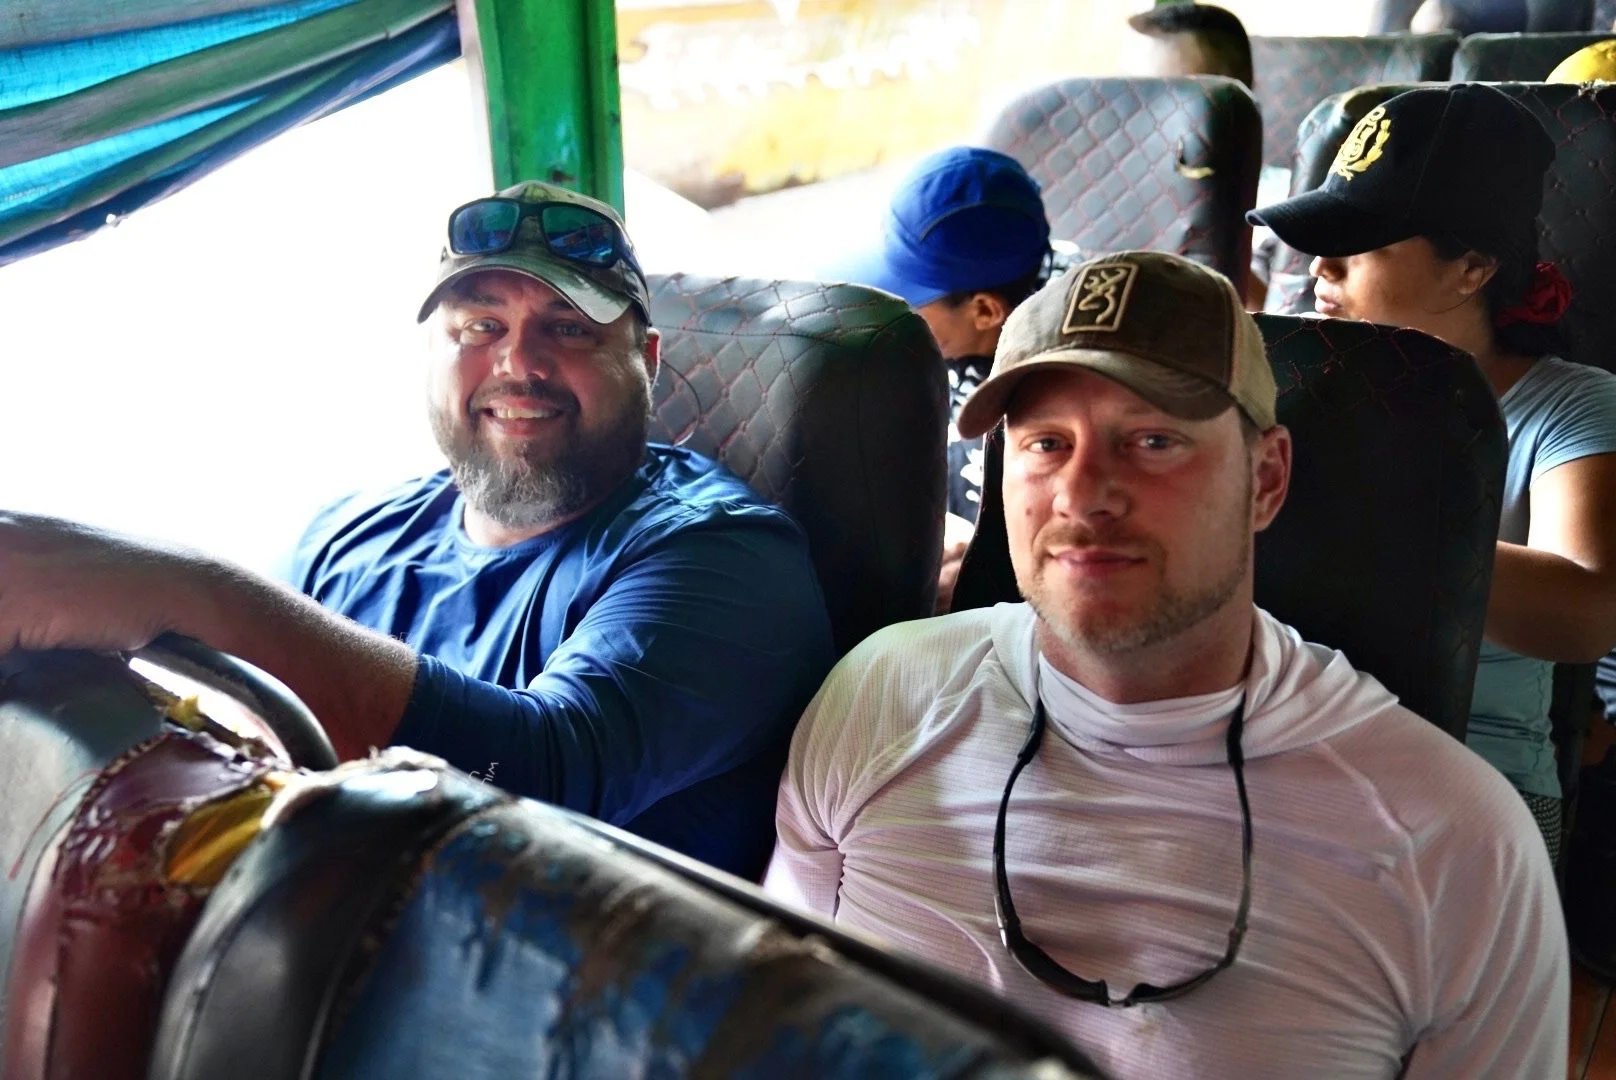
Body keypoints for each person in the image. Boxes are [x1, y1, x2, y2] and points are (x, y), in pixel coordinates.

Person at [766, 250, 1566, 1078]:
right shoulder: (881, 694)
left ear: (1266, 478)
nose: (1084, 494)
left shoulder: (1451, 842)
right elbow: (781, 1020)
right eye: (1046, 443)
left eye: (1153, 441)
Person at [0, 180, 835, 880]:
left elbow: (542, 782)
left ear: (646, 360)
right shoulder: (351, 534)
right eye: (480, 327)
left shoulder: (726, 558)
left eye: (569, 328)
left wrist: (160, 585)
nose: (519, 362)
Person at [1249, 84, 1616, 866]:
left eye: (1362, 242)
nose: (1322, 267)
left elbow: (1589, 607)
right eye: (1321, 240)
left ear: (1473, 267)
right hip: (1280, 740)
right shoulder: (1281, 380)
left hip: (1478, 781)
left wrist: (1347, 521)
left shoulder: (1570, 405)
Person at [829, 146, 1052, 610]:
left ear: (985, 310)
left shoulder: (1034, 415)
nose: (878, 311)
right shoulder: (1024, 274)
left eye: (904, 302)